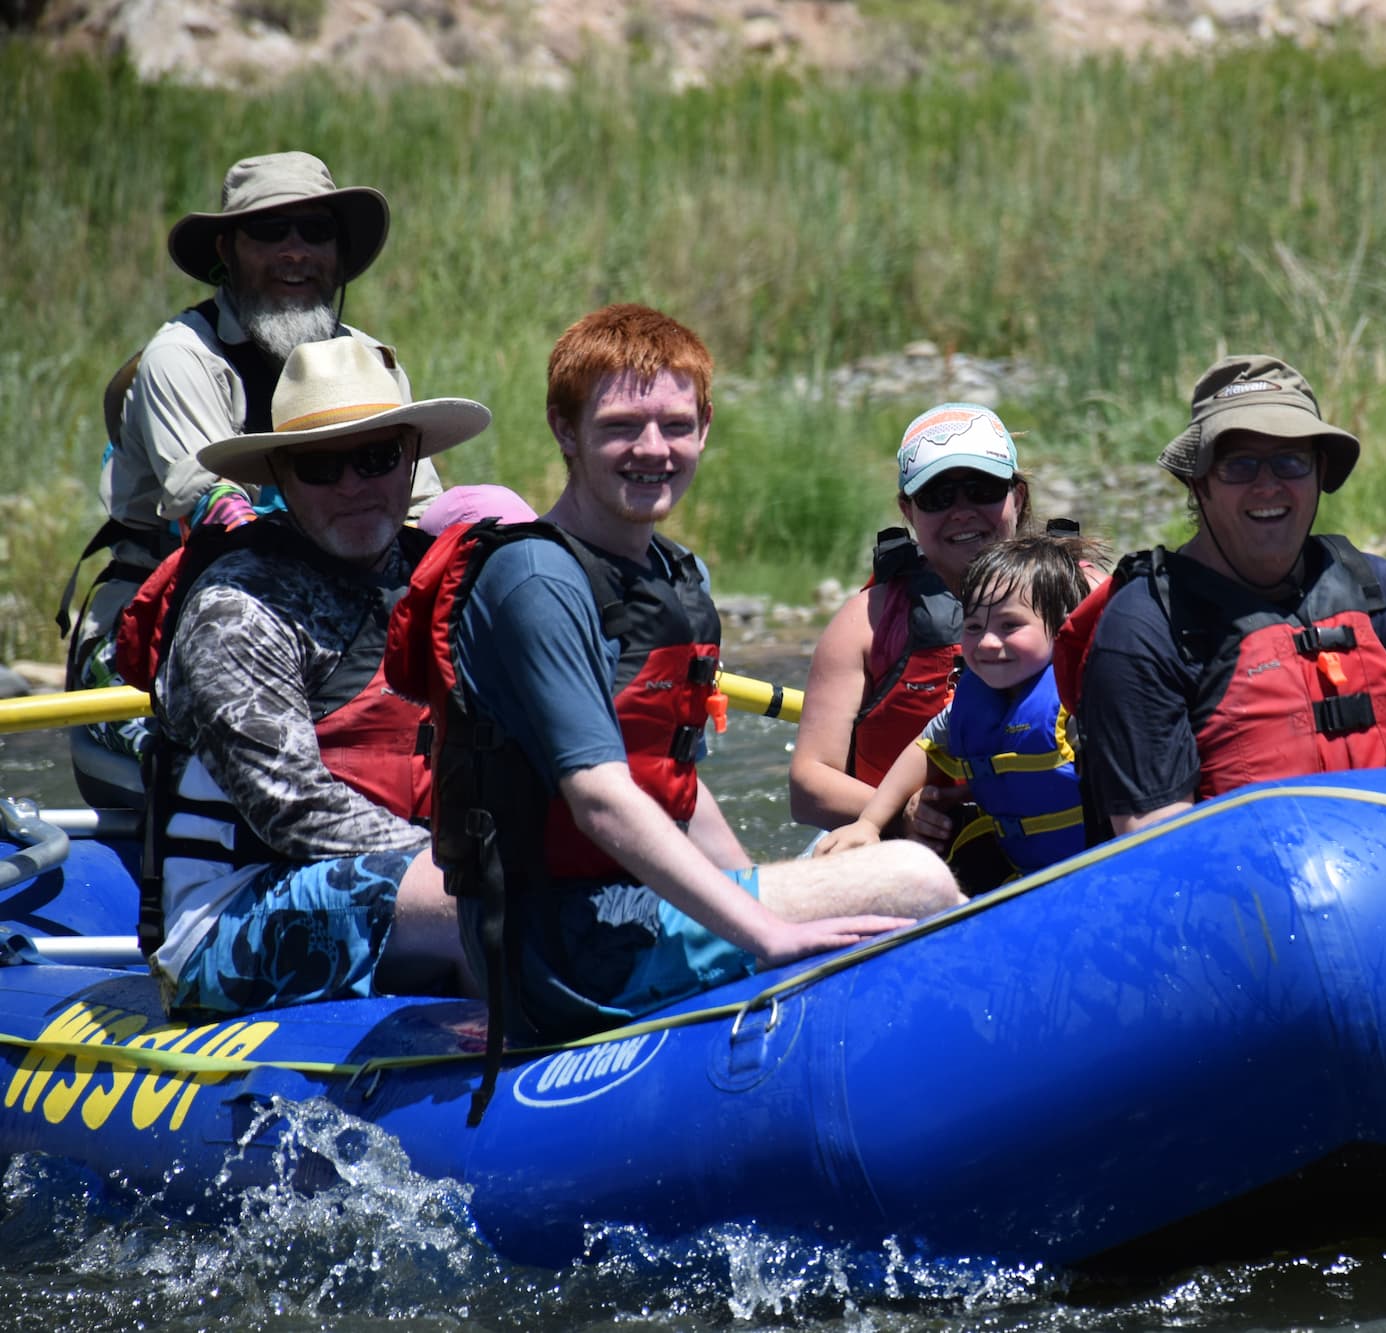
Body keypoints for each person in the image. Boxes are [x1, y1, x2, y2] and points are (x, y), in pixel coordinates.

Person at [388, 304, 965, 1046]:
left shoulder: (668, 576)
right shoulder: (534, 577)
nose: (652, 448)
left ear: (706, 426)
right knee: (911, 878)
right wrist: (763, 929)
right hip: (562, 946)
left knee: (837, 864)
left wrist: (757, 882)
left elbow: (674, 786)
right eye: (622, 424)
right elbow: (599, 800)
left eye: (676, 424)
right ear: (565, 429)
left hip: (627, 906)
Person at [62, 150, 442, 805]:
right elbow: (216, 521)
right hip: (158, 639)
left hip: (333, 634)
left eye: (315, 231)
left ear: (339, 251)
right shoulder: (181, 358)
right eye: (270, 231)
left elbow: (422, 516)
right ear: (226, 249)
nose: (296, 251)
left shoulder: (369, 364)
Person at [127, 337, 486, 1018]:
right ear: (282, 479)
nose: (352, 484)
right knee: (484, 902)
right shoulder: (234, 610)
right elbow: (294, 811)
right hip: (233, 918)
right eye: (320, 465)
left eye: (376, 457)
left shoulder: (452, 581)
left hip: (420, 880)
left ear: (412, 459)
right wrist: (479, 873)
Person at [1067, 354, 1386, 839]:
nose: (1267, 485)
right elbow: (1154, 833)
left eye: (1290, 461)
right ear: (1198, 482)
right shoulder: (1145, 626)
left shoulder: (1384, 592)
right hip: (1255, 897)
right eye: (1239, 465)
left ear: (1319, 472)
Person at [789, 401, 1034, 843]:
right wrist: (900, 810)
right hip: (902, 848)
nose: (962, 511)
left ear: (1016, 497)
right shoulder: (867, 622)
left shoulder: (1078, 591)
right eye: (938, 497)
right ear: (908, 511)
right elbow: (808, 785)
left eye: (982, 489)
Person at [814, 529, 1104, 884]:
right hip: (1023, 874)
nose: (987, 642)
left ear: (1062, 626)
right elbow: (924, 747)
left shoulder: (1077, 701)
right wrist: (869, 823)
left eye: (1010, 625)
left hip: (1096, 866)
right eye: (973, 626)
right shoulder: (970, 704)